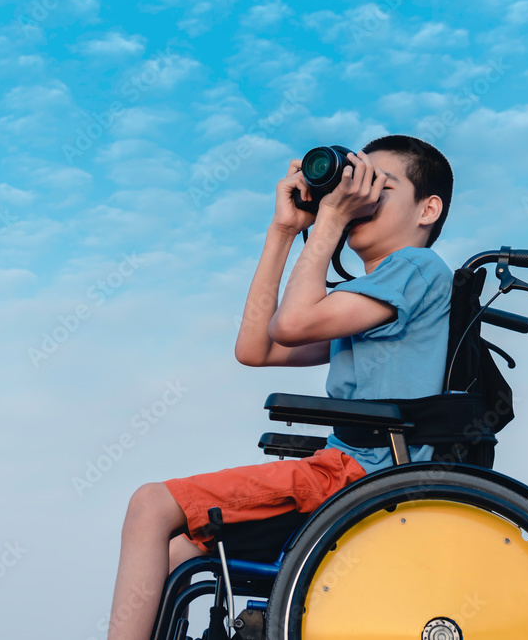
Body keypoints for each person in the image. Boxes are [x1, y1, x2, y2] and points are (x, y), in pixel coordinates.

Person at [106, 134, 454, 640]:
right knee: (177, 550)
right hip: (344, 471)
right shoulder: (371, 297)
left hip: (357, 476)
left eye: (382, 185)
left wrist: (330, 221)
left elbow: (289, 325)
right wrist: (284, 230)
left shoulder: (416, 268)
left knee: (150, 503)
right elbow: (256, 347)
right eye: (360, 180)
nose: (363, 193)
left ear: (427, 209)